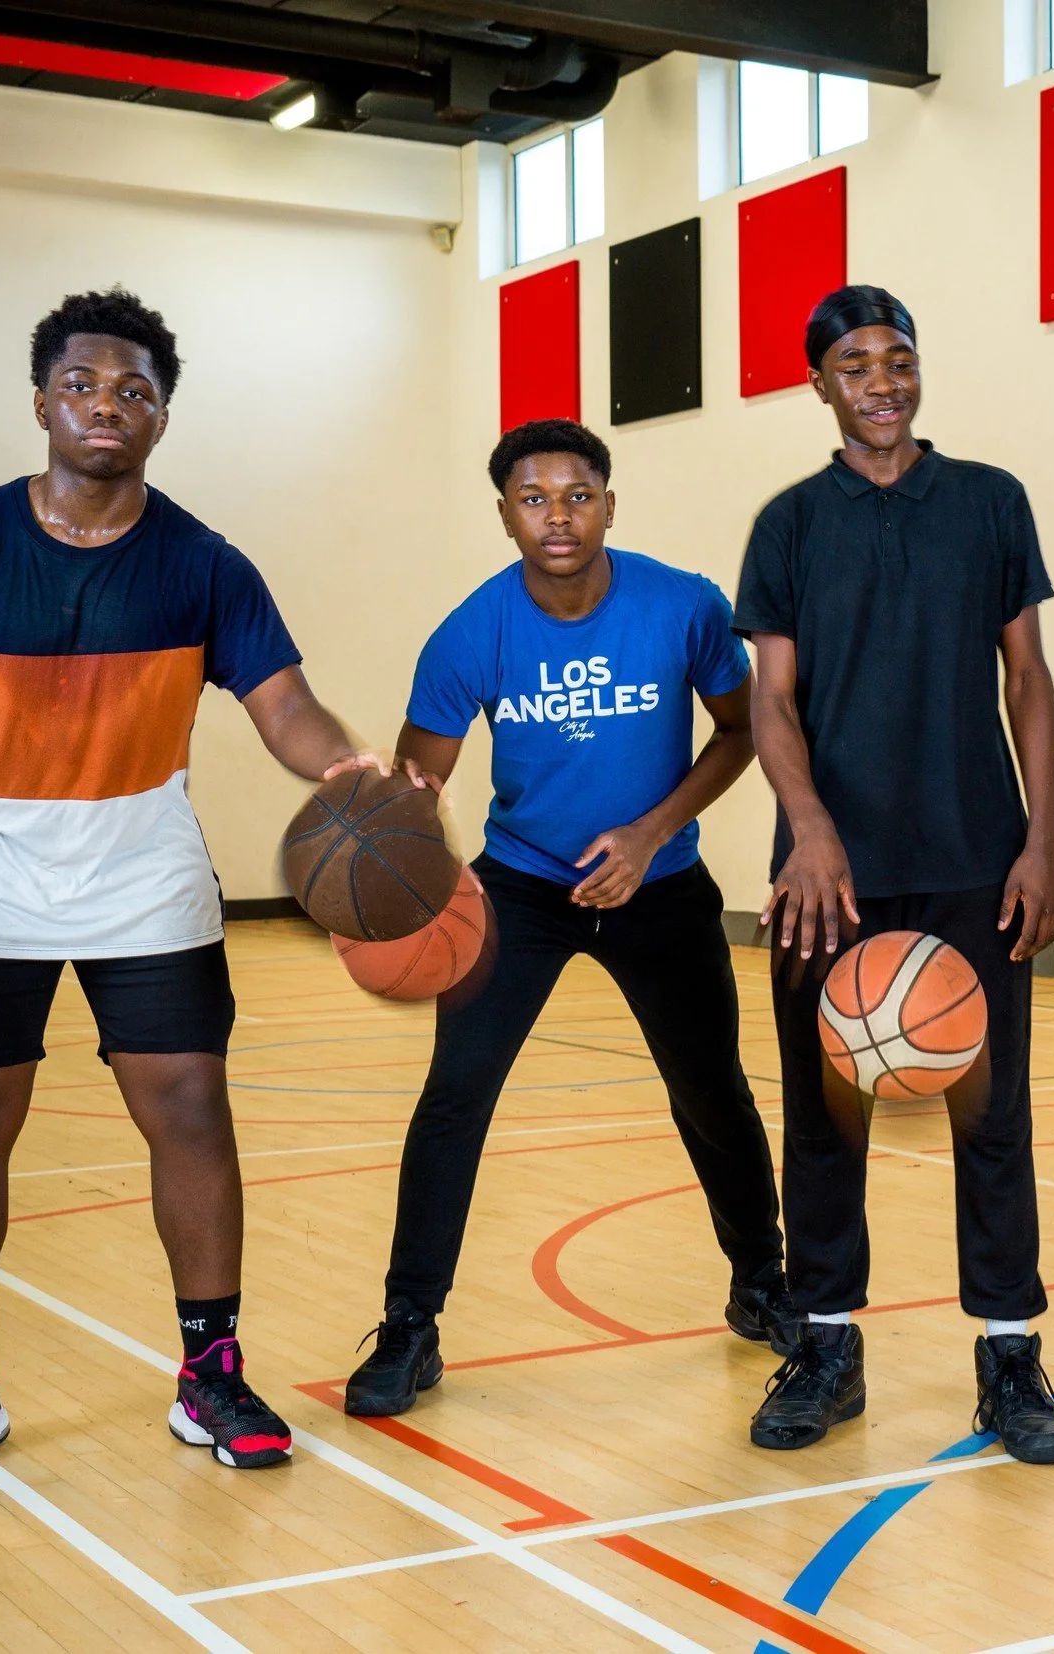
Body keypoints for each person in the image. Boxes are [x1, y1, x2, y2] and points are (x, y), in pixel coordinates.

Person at [0, 287, 386, 1484]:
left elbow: (283, 704)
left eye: (134, 390)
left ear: (162, 417)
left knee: (191, 1106)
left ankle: (211, 1372)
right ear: (42, 401)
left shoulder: (204, 563)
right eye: (85, 385)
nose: (108, 404)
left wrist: (344, 764)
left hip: (144, 876)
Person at [344, 418, 796, 1418]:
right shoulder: (471, 631)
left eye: (579, 494)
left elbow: (738, 734)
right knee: (454, 1096)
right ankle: (410, 1323)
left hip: (660, 881)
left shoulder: (683, 604)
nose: (559, 515)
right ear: (504, 512)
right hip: (522, 890)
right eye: (535, 498)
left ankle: (761, 1279)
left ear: (610, 503)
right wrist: (380, 879)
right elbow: (420, 781)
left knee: (711, 1089)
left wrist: (648, 833)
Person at [734, 285, 1054, 1464]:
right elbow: (770, 701)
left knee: (992, 1117)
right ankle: (826, 1344)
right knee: (828, 1118)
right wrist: (811, 827)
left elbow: (1025, 678)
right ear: (820, 387)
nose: (882, 381)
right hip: (827, 878)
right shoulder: (788, 523)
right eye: (856, 365)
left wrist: (1044, 837)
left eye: (899, 359)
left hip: (977, 861)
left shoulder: (989, 502)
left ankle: (1010, 1354)